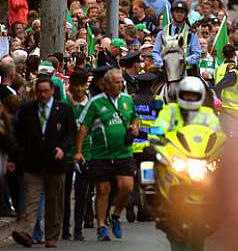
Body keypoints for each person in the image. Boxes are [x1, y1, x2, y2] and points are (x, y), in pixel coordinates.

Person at [10, 77, 76, 248]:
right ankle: (26, 231)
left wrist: (63, 149)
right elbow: (18, 135)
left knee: (54, 200)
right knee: (31, 198)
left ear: (52, 90)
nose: (43, 95)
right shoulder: (27, 110)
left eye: (46, 91)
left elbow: (71, 134)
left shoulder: (63, 110)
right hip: (32, 162)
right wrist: (14, 158)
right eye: (40, 91)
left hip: (55, 162)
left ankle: (52, 234)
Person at [74, 69, 139, 241]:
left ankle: (116, 215)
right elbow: (83, 127)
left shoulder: (126, 100)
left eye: (121, 82)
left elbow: (134, 117)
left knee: (127, 187)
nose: (120, 85)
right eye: (116, 82)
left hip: (124, 153)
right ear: (107, 84)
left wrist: (135, 127)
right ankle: (101, 226)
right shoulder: (95, 103)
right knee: (103, 190)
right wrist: (79, 151)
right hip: (101, 154)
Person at [125, 72, 163, 224]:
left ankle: (130, 203)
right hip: (149, 147)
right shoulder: (157, 100)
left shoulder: (130, 100)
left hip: (132, 146)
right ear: (153, 85)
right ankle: (144, 211)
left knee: (133, 178)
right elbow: (162, 124)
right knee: (148, 179)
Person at [63, 70, 92, 241]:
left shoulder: (92, 105)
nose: (80, 89)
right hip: (67, 154)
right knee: (65, 193)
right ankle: (65, 227)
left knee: (82, 192)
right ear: (71, 86)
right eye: (77, 86)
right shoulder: (64, 104)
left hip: (86, 154)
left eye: (83, 85)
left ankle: (78, 229)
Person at [154, 77, 221, 134]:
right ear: (179, 94)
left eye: (193, 95)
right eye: (186, 95)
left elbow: (218, 135)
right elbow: (159, 127)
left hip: (200, 148)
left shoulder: (208, 114)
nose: (189, 98)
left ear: (200, 96)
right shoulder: (170, 111)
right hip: (173, 148)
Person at [152, 0, 202, 76]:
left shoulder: (191, 33)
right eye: (177, 12)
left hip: (187, 72)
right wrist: (161, 63)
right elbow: (155, 52)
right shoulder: (163, 32)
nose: (179, 14)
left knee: (203, 86)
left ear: (185, 14)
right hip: (166, 72)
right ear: (172, 13)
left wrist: (184, 61)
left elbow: (197, 53)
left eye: (182, 12)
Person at [214, 53, 238, 136]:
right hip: (227, 116)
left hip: (237, 116)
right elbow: (217, 87)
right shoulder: (233, 75)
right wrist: (218, 105)